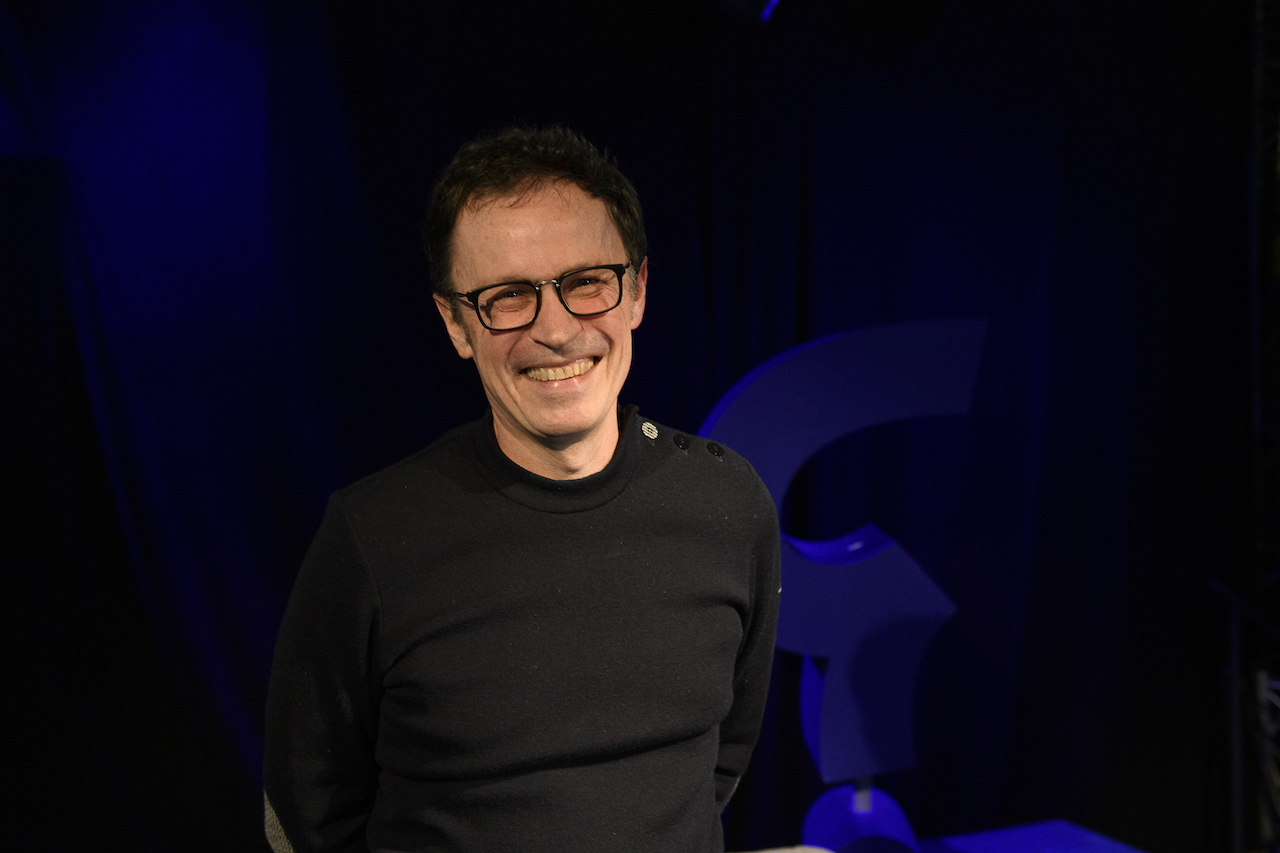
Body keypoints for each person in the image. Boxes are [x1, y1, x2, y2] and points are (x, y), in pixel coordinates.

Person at [264, 125, 781, 853]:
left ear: (636, 290)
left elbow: (719, 763)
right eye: (508, 296)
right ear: (455, 323)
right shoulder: (373, 536)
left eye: (587, 282)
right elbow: (306, 810)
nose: (557, 330)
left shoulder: (727, 504)